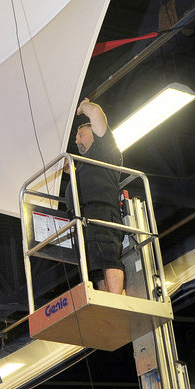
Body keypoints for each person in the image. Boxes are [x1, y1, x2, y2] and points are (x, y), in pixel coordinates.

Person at [65, 98, 125, 294]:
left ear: (94, 135)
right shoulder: (82, 165)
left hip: (102, 211)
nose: (77, 140)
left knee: (108, 257)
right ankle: (106, 301)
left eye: (81, 134)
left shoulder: (104, 150)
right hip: (83, 218)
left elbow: (97, 113)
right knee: (95, 268)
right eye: (76, 137)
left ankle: (115, 300)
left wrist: (83, 107)